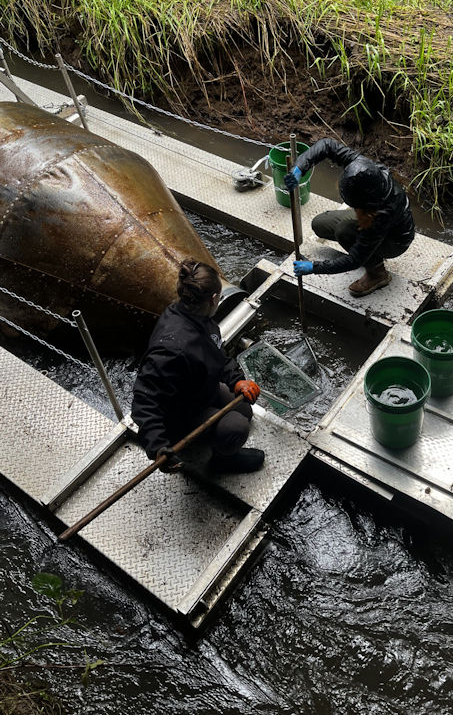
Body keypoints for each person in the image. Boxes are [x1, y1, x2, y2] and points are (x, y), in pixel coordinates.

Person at [131, 259, 264, 474]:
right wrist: (156, 446)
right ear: (213, 299)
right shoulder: (171, 350)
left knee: (244, 409)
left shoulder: (200, 318)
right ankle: (221, 461)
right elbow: (144, 399)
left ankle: (221, 439)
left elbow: (217, 354)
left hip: (199, 388)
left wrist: (236, 379)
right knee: (237, 427)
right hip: (180, 413)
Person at [284, 138, 415, 297]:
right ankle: (370, 253)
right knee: (320, 224)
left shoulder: (383, 214)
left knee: (344, 232)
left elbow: (354, 260)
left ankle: (377, 274)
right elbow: (327, 145)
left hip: (395, 240)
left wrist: (314, 267)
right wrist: (299, 168)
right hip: (374, 213)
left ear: (363, 207)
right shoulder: (361, 167)